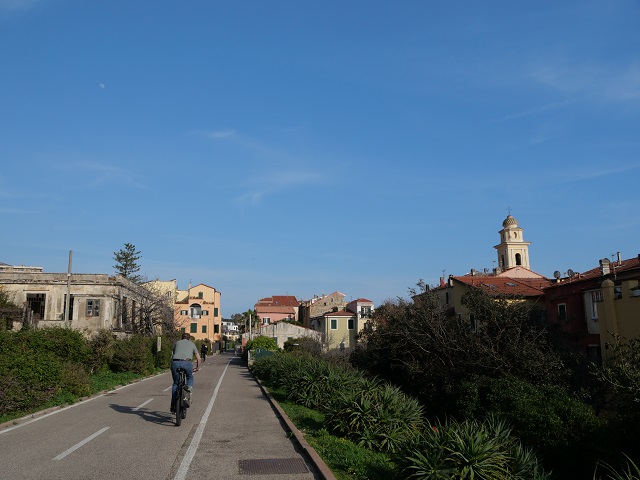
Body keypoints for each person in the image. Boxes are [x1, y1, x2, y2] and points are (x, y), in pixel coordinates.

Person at [170, 333, 201, 413]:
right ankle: (188, 392)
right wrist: (197, 368)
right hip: (187, 363)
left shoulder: (177, 343)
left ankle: (173, 404)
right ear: (189, 338)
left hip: (175, 363)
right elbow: (199, 358)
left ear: (181, 338)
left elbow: (173, 354)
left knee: (176, 384)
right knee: (190, 377)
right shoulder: (192, 344)